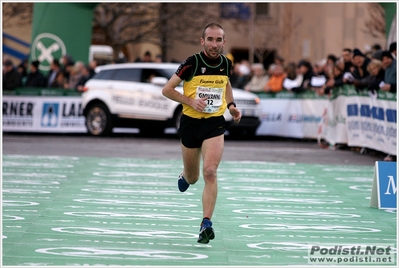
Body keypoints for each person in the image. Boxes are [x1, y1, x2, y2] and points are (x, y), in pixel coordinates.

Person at [161, 22, 241, 244]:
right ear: (202, 41)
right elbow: (167, 89)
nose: (214, 44)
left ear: (224, 42)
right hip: (190, 124)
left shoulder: (225, 63)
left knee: (210, 172)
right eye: (210, 40)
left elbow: (226, 85)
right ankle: (185, 175)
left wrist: (231, 106)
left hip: (214, 124)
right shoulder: (191, 63)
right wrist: (190, 101)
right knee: (194, 177)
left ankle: (206, 223)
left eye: (218, 40)